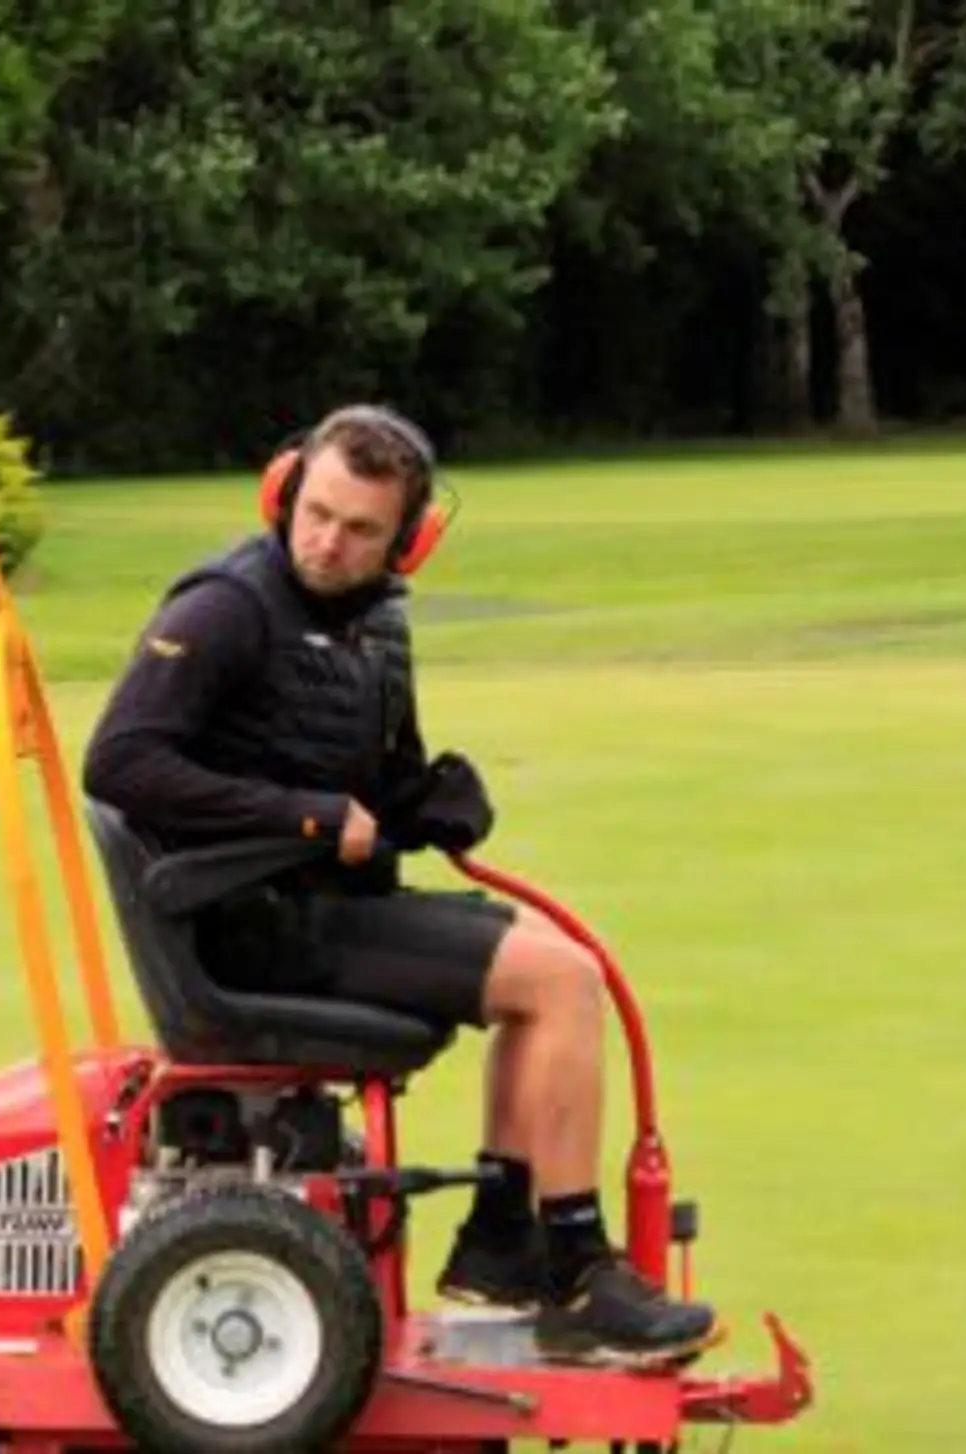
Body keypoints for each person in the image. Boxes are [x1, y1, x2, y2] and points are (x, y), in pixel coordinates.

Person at [81, 403, 722, 1367]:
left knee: (544, 975)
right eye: (318, 513)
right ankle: (580, 1273)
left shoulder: (373, 628)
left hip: (323, 907)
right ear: (285, 488)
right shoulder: (224, 609)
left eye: (360, 529)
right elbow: (120, 763)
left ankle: (504, 1247)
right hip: (251, 926)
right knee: (562, 984)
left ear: (407, 544)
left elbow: (371, 782)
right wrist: (304, 815)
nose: (328, 542)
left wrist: (427, 802)